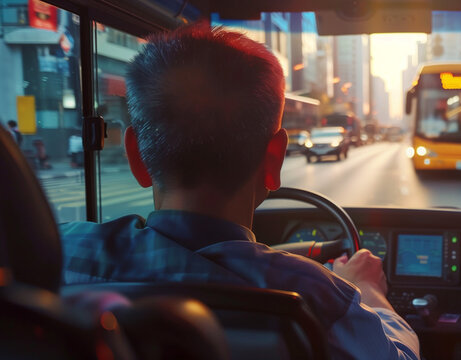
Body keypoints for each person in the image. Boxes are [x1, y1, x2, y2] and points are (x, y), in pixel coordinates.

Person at [59, 24, 419, 359]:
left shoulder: (63, 254)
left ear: (136, 155)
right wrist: (369, 292)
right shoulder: (318, 296)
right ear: (273, 159)